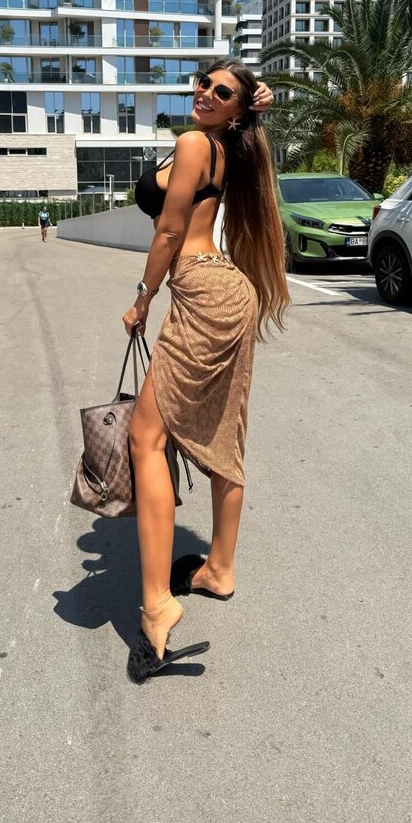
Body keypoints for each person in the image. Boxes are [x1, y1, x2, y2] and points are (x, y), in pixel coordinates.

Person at [122, 60, 289, 682]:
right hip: (224, 290)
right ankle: (218, 569)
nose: (206, 94)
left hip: (201, 290)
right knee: (222, 430)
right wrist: (253, 103)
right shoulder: (222, 146)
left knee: (145, 437)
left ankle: (158, 606)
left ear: (236, 111)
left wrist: (142, 299)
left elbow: (169, 230)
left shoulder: (197, 143)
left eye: (223, 92)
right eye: (204, 84)